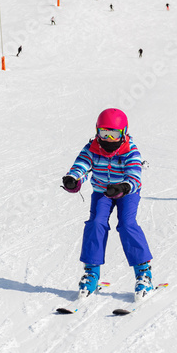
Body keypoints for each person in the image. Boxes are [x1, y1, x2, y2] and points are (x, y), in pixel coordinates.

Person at [61, 108, 155, 299]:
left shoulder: (130, 150)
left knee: (127, 225)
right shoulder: (92, 148)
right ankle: (91, 273)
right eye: (104, 134)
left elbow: (135, 174)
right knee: (96, 224)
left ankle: (144, 273)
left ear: (124, 133)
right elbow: (82, 165)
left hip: (126, 193)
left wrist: (124, 187)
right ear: (97, 131)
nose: (108, 139)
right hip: (102, 192)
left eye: (114, 134)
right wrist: (73, 179)